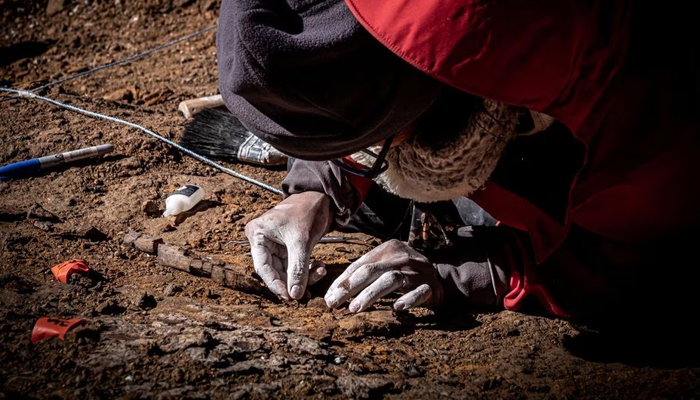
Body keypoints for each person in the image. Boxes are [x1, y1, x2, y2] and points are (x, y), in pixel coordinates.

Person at [214, 0, 700, 339]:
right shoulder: (392, 34)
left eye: (365, 146)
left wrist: (461, 273)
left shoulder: (635, 132)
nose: (354, 157)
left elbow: (631, 274)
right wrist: (314, 191)